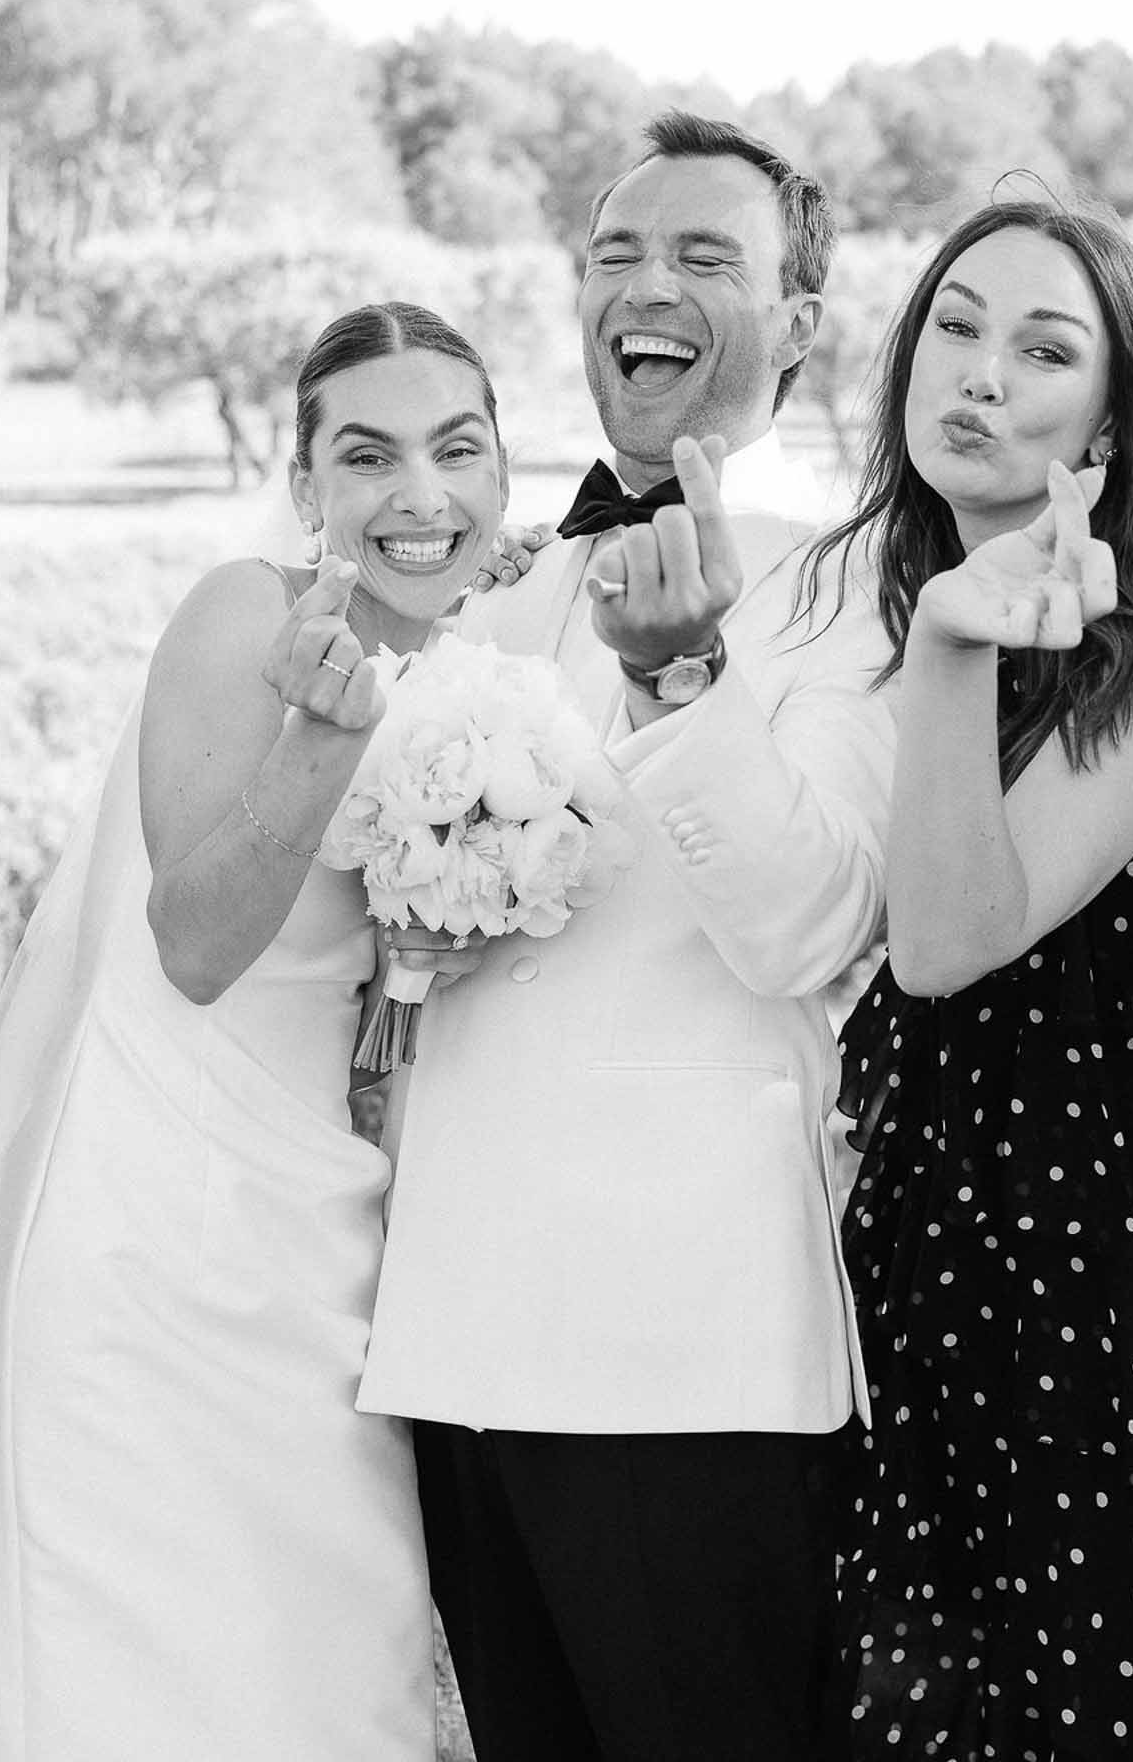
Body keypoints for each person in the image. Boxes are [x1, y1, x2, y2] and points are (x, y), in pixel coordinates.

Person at [357, 111, 898, 1762]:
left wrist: (681, 679)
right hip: (458, 1331)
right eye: (614, 253)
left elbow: (812, 923)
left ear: (799, 323)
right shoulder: (505, 587)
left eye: (701, 257)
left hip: (684, 1355)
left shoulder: (862, 586)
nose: (641, 285)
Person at [813, 197, 1133, 1760]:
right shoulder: (913, 603)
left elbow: (955, 937)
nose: (978, 372)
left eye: (1043, 350)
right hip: (974, 1288)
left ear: (1115, 418)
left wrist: (949, 657)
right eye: (954, 327)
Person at [0, 301, 513, 1761]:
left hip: (328, 1215)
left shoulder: (488, 670)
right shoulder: (244, 611)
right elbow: (195, 941)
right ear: (307, 487)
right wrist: (321, 748)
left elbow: (379, 1008)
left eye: (458, 449)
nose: (421, 495)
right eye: (368, 456)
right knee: (159, 1637)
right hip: (167, 1222)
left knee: (334, 1642)